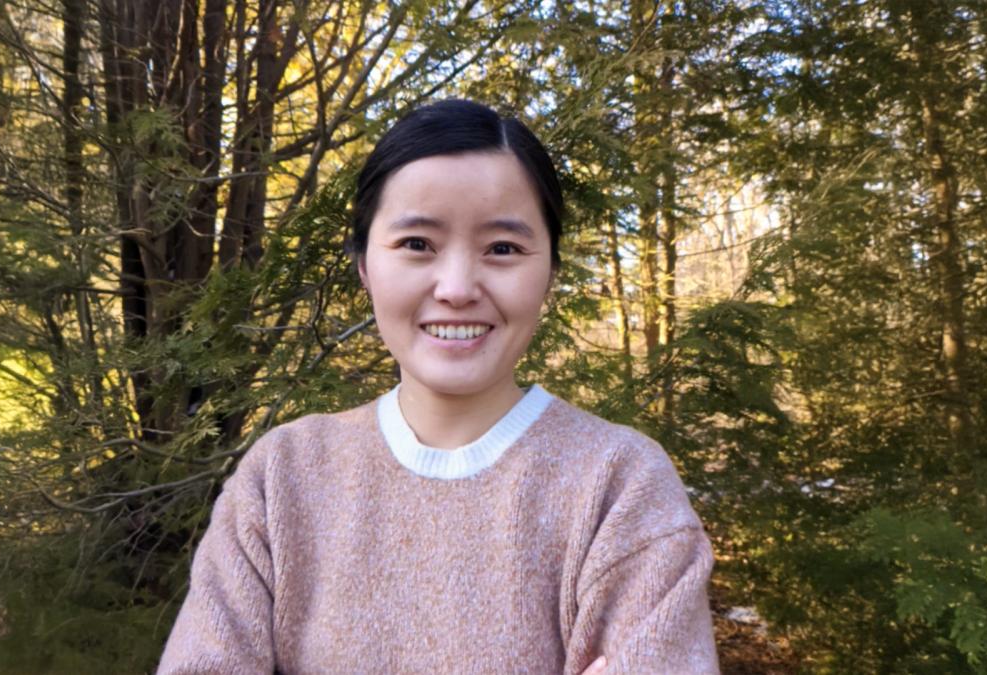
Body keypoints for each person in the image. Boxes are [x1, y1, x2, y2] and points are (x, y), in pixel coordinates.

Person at [157, 99, 719, 674]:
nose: (456, 288)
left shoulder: (621, 486)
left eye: (502, 248)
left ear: (549, 271)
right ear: (364, 266)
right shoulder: (283, 478)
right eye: (417, 244)